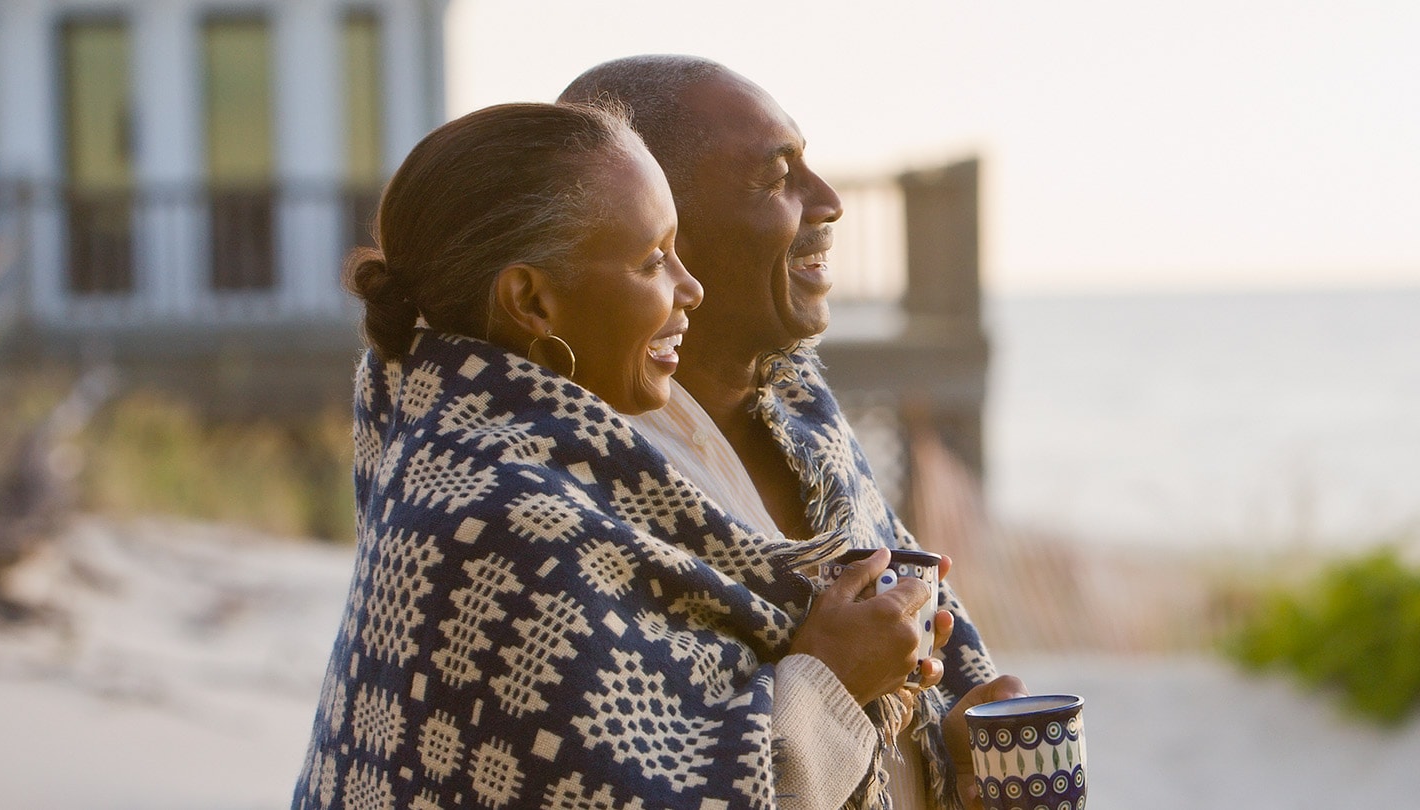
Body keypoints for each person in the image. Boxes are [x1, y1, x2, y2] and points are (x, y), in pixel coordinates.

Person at [294, 102, 956, 809]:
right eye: (653, 260)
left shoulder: (507, 459)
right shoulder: (503, 518)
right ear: (532, 300)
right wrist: (831, 682)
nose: (689, 287)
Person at [561, 56, 1031, 810]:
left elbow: (894, 701)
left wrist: (945, 767)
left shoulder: (805, 412)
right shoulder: (564, 481)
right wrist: (830, 685)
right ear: (651, 215)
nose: (830, 202)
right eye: (778, 178)